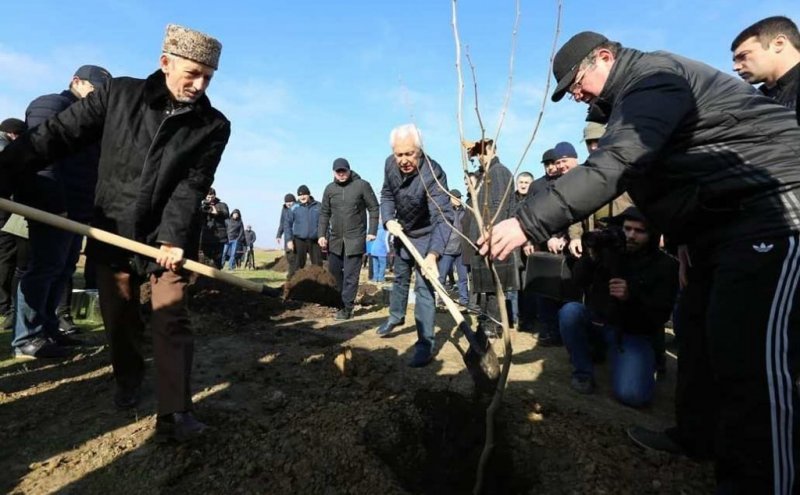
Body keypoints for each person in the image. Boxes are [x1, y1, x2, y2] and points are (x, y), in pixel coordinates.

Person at [480, 30, 800, 494]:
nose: (574, 94)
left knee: (752, 363)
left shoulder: (654, 80)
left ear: (605, 57)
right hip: (716, 227)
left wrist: (528, 223)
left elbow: (619, 164)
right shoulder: (625, 103)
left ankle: (766, 481)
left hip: (772, 210)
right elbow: (665, 181)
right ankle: (699, 439)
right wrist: (688, 239)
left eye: (576, 81)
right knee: (699, 338)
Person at [0, 24, 231, 442]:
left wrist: (173, 238)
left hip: (170, 240)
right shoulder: (118, 96)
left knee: (171, 315)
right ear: (166, 63)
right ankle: (128, 377)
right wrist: (5, 171)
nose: (198, 85)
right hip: (113, 230)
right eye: (192, 73)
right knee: (120, 317)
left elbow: (191, 184)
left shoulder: (213, 125)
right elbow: (56, 136)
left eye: (208, 78)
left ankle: (175, 414)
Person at [12, 65, 112, 359]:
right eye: (95, 91)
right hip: (54, 206)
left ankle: (49, 329)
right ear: (76, 82)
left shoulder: (92, 120)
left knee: (63, 270)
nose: (99, 99)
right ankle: (26, 338)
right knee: (43, 269)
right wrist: (56, 205)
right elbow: (43, 156)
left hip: (78, 209)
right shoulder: (52, 105)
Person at [559, 207, 677, 405]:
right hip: (600, 322)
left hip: (633, 332)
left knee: (633, 396)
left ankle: (649, 360)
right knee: (570, 312)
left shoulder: (665, 265)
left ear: (652, 234)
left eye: (639, 231)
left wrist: (631, 296)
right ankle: (583, 372)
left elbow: (660, 315)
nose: (631, 235)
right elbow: (577, 281)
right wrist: (591, 258)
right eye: (627, 229)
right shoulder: (608, 251)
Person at [377, 124, 453, 368]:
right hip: (403, 232)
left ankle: (425, 344)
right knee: (399, 278)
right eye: (400, 154)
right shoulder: (390, 164)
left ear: (419, 151)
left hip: (427, 235)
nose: (404, 160)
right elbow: (387, 194)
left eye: (410, 154)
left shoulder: (433, 174)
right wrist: (388, 219)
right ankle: (395, 317)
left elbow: (442, 216)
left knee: (424, 287)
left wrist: (433, 255)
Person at [463, 138, 520, 335]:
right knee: (486, 284)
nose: (477, 157)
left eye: (480, 152)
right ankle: (487, 319)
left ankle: (494, 324)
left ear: (489, 150)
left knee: (494, 284)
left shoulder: (498, 172)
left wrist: (490, 234)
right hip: (483, 239)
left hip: (492, 240)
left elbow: (498, 207)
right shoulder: (486, 173)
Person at [318, 158, 379, 320]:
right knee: (335, 274)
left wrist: (372, 231)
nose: (341, 174)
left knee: (351, 276)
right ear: (334, 173)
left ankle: (347, 308)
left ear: (349, 170)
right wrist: (321, 234)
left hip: (355, 239)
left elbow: (374, 207)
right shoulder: (329, 189)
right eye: (338, 171)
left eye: (344, 170)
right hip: (335, 240)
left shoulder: (362, 186)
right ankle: (339, 304)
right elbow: (324, 213)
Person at [732, 15, 800, 123]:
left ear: (779, 43)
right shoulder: (754, 101)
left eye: (743, 56)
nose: (735, 67)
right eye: (734, 61)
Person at [0, 118, 26, 330]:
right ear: (13, 134)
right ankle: (4, 304)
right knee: (7, 256)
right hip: (5, 208)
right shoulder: (5, 148)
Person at [437, 189, 469, 307]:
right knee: (442, 277)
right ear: (449, 198)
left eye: (459, 197)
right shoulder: (444, 212)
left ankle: (464, 301)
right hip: (447, 250)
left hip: (461, 250)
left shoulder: (465, 212)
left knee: (463, 278)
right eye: (456, 197)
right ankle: (441, 301)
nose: (458, 200)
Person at [286, 185, 322, 269]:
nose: (302, 197)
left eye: (304, 195)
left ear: (309, 194)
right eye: (300, 195)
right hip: (299, 240)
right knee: (297, 265)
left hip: (315, 240)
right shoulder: (294, 207)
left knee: (317, 265)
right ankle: (296, 281)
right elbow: (287, 224)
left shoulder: (318, 206)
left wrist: (324, 236)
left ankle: (318, 282)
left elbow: (324, 222)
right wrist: (289, 240)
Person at [199, 187, 229, 268]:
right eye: (208, 197)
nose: (210, 199)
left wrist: (217, 212)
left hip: (219, 238)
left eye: (212, 197)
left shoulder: (222, 205)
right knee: (205, 259)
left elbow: (226, 214)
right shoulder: (202, 205)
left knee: (217, 260)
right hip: (206, 237)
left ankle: (216, 277)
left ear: (215, 196)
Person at [276, 193, 298, 278]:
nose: (288, 203)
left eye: (290, 202)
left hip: (297, 236)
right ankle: (293, 274)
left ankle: (292, 276)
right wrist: (278, 235)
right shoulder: (284, 209)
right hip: (287, 237)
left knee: (295, 257)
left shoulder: (298, 208)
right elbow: (282, 223)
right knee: (289, 256)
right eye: (287, 202)